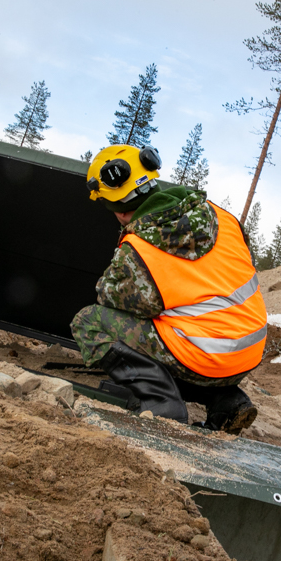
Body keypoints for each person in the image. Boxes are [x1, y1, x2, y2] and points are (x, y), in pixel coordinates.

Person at [70, 144, 266, 434]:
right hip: (249, 353)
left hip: (203, 356)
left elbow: (108, 296)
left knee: (89, 321)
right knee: (181, 322)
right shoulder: (221, 216)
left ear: (120, 212)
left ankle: (162, 402)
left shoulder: (139, 247)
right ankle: (227, 400)